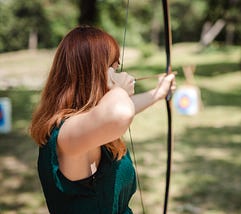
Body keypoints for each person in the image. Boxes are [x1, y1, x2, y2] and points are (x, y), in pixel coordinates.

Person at [29, 25, 176, 214]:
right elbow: (120, 113)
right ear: (93, 74)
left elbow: (123, 109)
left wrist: (159, 93)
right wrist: (118, 90)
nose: (119, 73)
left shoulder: (89, 122)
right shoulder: (66, 135)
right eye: (113, 67)